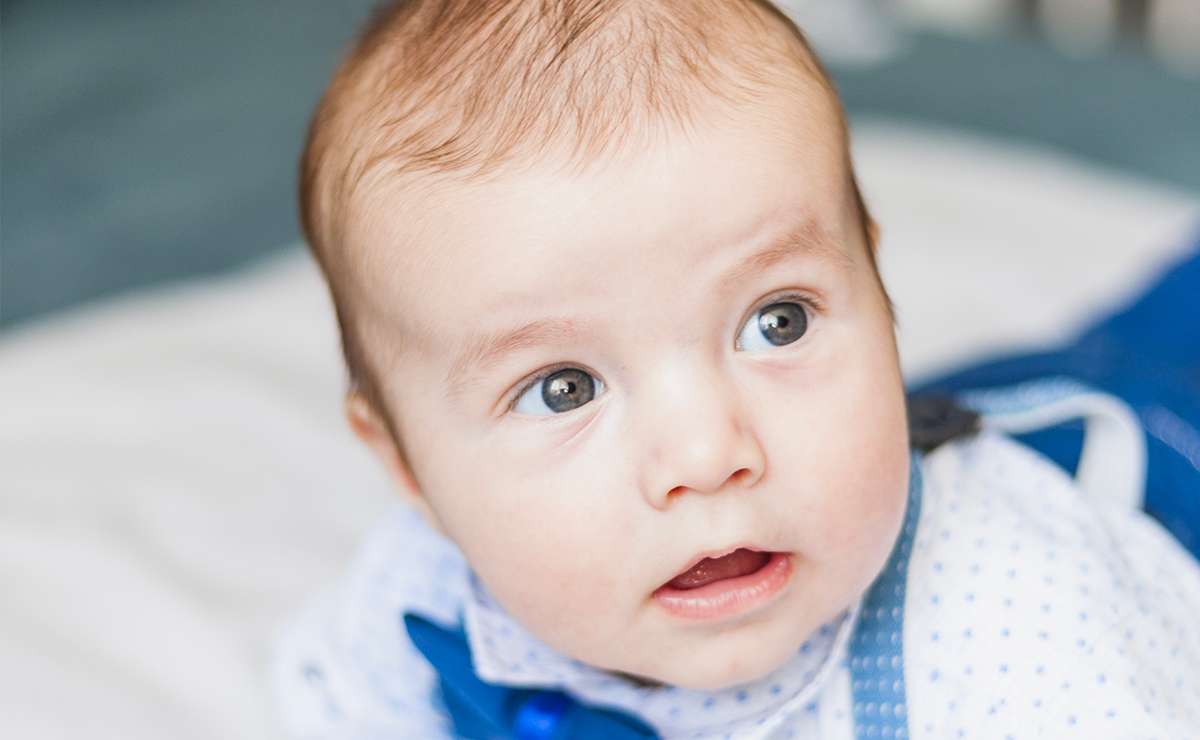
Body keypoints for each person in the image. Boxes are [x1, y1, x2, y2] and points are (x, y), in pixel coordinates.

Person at [273, 1, 1200, 737]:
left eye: (778, 320)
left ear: (876, 289)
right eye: (565, 388)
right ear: (407, 467)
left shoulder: (1023, 627)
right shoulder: (421, 594)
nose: (707, 453)